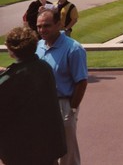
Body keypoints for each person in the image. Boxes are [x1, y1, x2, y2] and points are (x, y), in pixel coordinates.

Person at [0, 27, 67, 164]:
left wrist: (7, 75)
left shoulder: (9, 80)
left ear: (12, 50)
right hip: (49, 143)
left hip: (21, 149)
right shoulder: (44, 68)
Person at [36, 9, 88, 165]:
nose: (42, 30)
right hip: (42, 105)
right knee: (45, 149)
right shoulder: (38, 46)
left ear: (58, 24)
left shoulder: (74, 49)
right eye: (39, 26)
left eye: (46, 26)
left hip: (63, 104)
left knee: (67, 152)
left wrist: (72, 109)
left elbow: (81, 82)